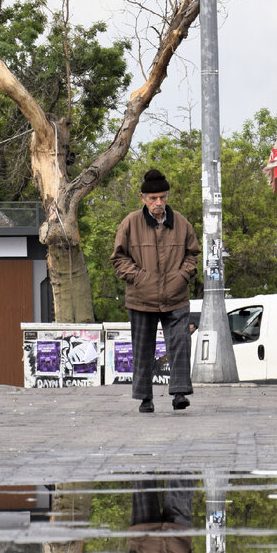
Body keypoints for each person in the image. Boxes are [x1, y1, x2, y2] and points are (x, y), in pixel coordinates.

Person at [110, 168, 199, 413]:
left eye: (162, 197)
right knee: (142, 349)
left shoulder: (181, 222)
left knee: (180, 343)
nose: (158, 202)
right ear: (143, 198)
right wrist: (139, 278)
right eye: (153, 198)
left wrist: (182, 276)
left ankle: (180, 392)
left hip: (176, 295)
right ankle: (144, 398)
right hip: (141, 298)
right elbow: (118, 258)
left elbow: (193, 254)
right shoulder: (130, 223)